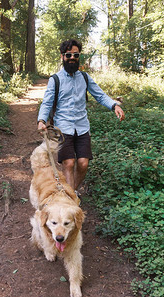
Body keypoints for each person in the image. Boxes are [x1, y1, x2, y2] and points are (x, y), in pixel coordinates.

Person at [37, 39, 125, 193]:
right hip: (63, 127)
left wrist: (114, 105)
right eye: (68, 55)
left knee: (83, 163)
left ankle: (70, 192)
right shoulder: (55, 80)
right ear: (62, 56)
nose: (72, 58)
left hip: (82, 127)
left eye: (75, 55)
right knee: (69, 163)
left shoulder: (84, 77)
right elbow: (47, 102)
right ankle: (71, 200)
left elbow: (100, 95)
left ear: (79, 57)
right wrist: (41, 120)